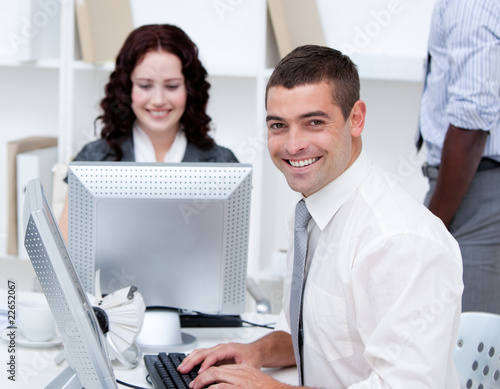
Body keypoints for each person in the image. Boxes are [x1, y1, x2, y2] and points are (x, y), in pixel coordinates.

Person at [178, 45, 464, 388]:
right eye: (278, 125)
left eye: (314, 122)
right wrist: (258, 353)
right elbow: (313, 336)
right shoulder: (308, 212)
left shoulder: (399, 241)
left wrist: (270, 388)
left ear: (355, 118)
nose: (293, 144)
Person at [59, 24, 238, 240]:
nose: (159, 100)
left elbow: (226, 254)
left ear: (189, 89)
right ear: (127, 89)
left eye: (172, 86)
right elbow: (66, 257)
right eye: (145, 86)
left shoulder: (221, 164)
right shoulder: (94, 160)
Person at [418, 0, 500, 313]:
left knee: (466, 345)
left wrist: (432, 225)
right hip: (472, 181)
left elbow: (472, 120)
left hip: (475, 188)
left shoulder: (471, 3)